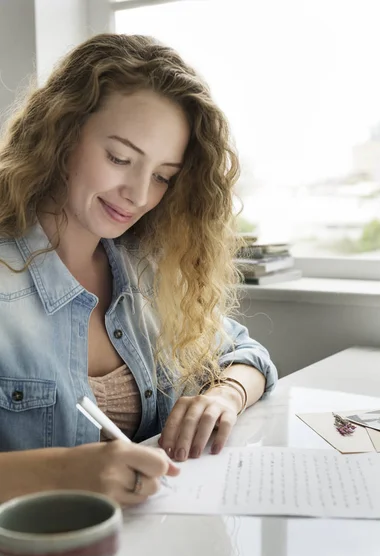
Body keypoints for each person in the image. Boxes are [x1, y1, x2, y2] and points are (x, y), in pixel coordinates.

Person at [0, 33, 277, 506]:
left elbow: (246, 353)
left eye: (163, 176)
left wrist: (224, 396)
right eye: (120, 158)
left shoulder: (141, 270)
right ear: (62, 133)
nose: (139, 194)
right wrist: (66, 471)